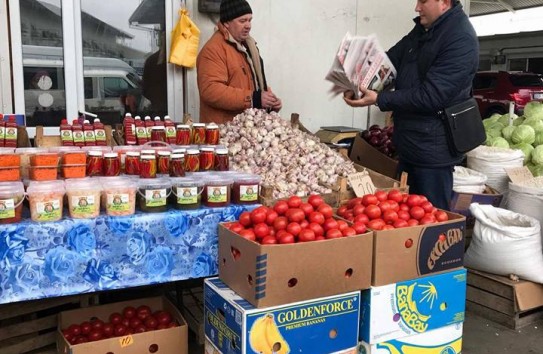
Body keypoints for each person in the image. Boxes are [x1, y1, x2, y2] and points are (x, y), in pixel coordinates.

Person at [343, 0, 479, 210]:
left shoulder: (460, 39)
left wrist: (379, 99)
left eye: (423, 1)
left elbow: (432, 95)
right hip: (410, 143)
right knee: (405, 213)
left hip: (432, 151)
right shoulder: (423, 31)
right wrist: (358, 81)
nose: (417, 7)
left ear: (444, 2)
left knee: (430, 218)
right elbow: (390, 61)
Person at [196, 0, 282, 124]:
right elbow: (210, 90)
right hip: (223, 132)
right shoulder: (213, 50)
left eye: (249, 20)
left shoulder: (248, 46)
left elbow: (252, 82)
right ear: (226, 23)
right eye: (242, 21)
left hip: (246, 130)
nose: (248, 25)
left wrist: (269, 100)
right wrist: (253, 98)